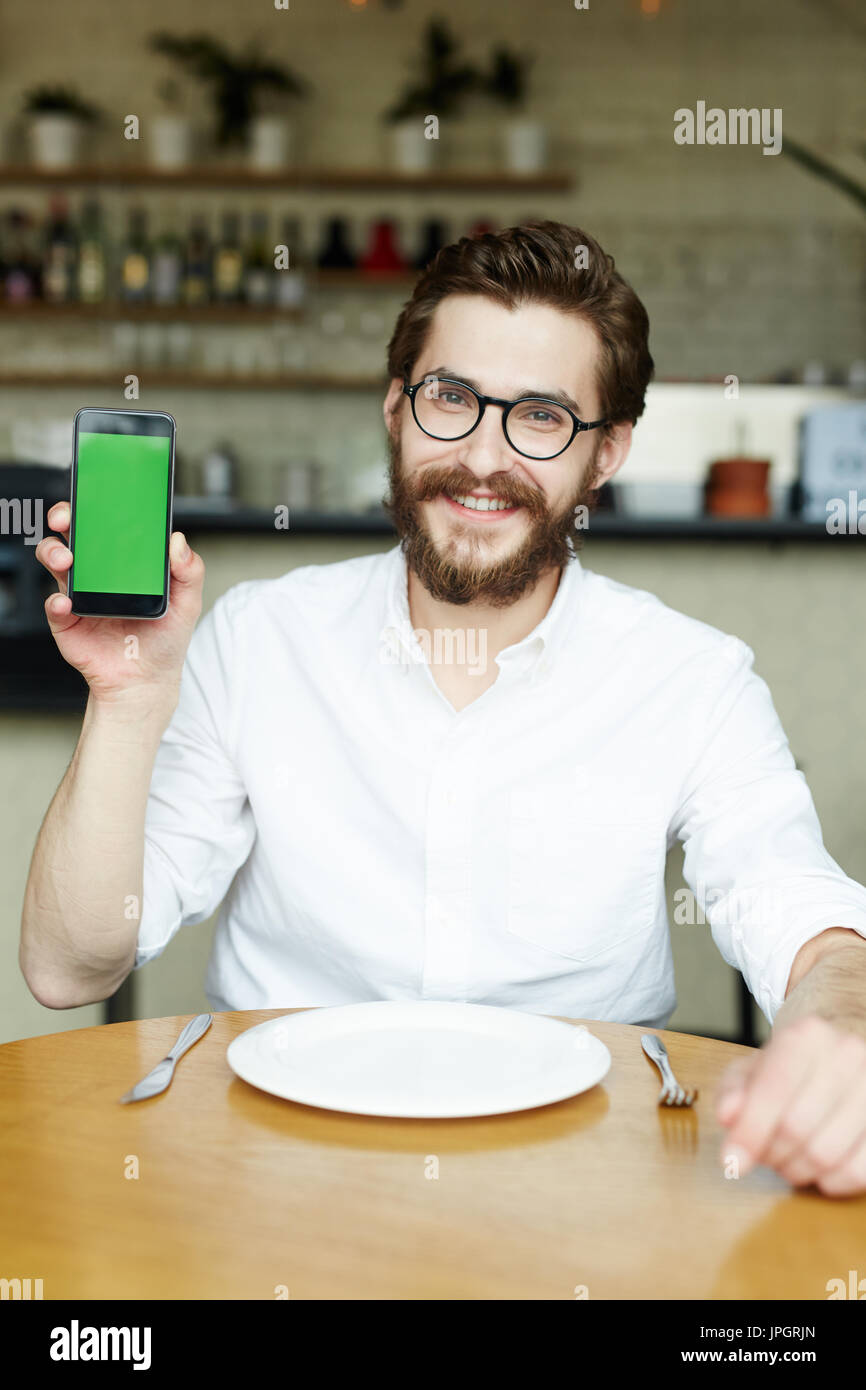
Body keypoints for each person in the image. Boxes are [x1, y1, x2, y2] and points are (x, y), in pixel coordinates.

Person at [21, 220, 866, 1194]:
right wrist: (126, 700)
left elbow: (797, 906)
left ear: (607, 454)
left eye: (541, 416)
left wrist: (841, 1028)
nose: (480, 457)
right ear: (394, 406)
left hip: (579, 1196)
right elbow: (68, 969)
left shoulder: (693, 678)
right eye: (451, 398)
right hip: (275, 1186)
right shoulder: (258, 641)